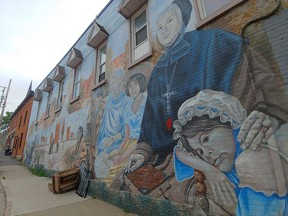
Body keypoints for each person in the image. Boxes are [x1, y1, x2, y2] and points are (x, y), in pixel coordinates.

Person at [125, 0, 288, 173]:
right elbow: (151, 118)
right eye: (159, 27)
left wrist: (269, 111)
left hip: (224, 151)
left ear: (183, 20)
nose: (163, 29)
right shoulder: (157, 72)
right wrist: (142, 151)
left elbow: (258, 76)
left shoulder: (214, 42)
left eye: (169, 21)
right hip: (180, 156)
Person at [173, 89, 287, 215]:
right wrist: (208, 169)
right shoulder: (226, 163)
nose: (206, 153)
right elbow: (179, 152)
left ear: (228, 122)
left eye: (206, 139)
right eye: (199, 151)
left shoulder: (250, 152)